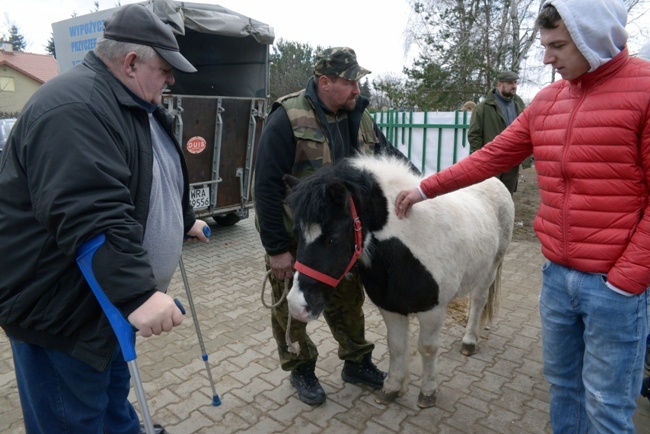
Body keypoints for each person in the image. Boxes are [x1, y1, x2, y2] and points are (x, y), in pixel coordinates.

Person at [395, 0, 650, 432]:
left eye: (558, 46)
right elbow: (489, 157)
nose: (546, 58)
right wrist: (424, 188)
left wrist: (627, 280)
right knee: (564, 388)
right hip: (555, 278)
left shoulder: (644, 92)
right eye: (544, 45)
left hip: (615, 288)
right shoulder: (548, 101)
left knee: (607, 406)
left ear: (593, 38)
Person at [0, 4, 209, 433]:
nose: (171, 79)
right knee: (72, 417)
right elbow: (89, 209)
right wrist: (136, 294)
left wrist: (182, 218)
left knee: (113, 396)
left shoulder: (131, 104)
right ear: (131, 61)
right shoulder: (74, 108)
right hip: (62, 311)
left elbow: (153, 175)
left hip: (103, 301)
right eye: (166, 69)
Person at [253, 47, 413, 406]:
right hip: (299, 239)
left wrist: (422, 186)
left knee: (349, 303)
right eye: (350, 82)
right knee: (291, 310)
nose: (357, 90)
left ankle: (356, 362)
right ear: (324, 82)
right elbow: (264, 187)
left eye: (358, 82)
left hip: (343, 240)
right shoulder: (288, 117)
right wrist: (277, 249)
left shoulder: (361, 116)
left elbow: (390, 159)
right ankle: (301, 367)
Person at [468, 70, 526, 194]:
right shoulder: (483, 107)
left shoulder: (518, 104)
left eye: (515, 82)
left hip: (512, 160)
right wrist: (482, 158)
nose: (514, 86)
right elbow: (474, 134)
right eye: (510, 83)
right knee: (490, 195)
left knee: (507, 195)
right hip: (492, 161)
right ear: (499, 85)